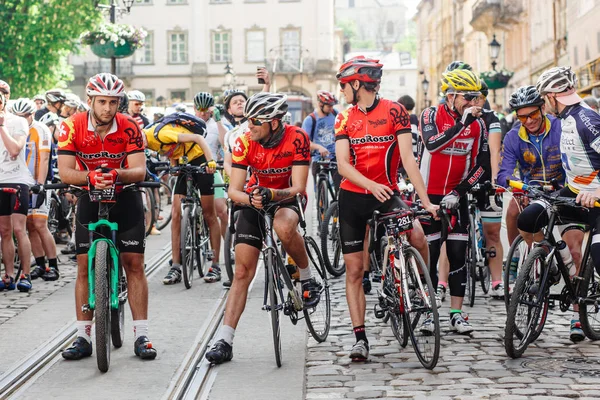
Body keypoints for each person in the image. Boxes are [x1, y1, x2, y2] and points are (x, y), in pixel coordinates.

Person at [205, 92, 321, 364]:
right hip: (254, 198)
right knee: (243, 271)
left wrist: (272, 193)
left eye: (255, 120)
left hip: (286, 196)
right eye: (247, 119)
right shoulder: (245, 141)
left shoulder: (297, 137)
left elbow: (299, 187)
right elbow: (234, 190)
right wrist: (253, 198)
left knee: (283, 227)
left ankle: (306, 275)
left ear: (275, 122)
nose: (249, 125)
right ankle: (225, 339)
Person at [334, 56, 437, 361]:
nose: (342, 91)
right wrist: (369, 184)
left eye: (344, 85)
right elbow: (343, 165)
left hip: (386, 193)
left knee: (417, 234)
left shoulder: (395, 111)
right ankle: (360, 338)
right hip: (354, 197)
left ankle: (421, 289)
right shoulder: (344, 118)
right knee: (354, 270)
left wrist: (426, 200)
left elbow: (408, 159)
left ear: (356, 83)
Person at [58, 73, 157, 361]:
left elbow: (138, 170)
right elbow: (66, 172)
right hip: (89, 194)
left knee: (134, 263)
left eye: (114, 102)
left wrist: (116, 174)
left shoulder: (130, 127)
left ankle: (142, 334)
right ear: (90, 101)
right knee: (83, 265)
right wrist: (89, 177)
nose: (108, 109)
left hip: (125, 195)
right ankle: (83, 336)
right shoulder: (71, 126)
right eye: (102, 102)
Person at [518, 66, 600, 342]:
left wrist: (596, 189)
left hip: (597, 199)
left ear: (554, 96)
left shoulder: (586, 119)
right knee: (528, 219)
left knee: (599, 259)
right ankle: (558, 261)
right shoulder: (563, 119)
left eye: (544, 98)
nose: (543, 104)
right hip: (574, 192)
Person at [419, 68, 488, 334]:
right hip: (429, 196)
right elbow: (433, 145)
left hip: (455, 196)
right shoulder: (430, 115)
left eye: (476, 97)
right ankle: (428, 312)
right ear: (450, 96)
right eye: (468, 97)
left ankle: (456, 314)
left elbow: (481, 166)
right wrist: (461, 124)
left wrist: (459, 193)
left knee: (458, 254)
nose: (473, 103)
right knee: (431, 254)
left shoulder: (479, 125)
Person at [146, 111, 218, 285]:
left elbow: (198, 139)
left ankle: (215, 265)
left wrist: (210, 162)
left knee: (209, 214)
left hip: (200, 157)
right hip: (184, 160)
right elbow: (171, 149)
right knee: (176, 214)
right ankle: (176, 266)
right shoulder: (149, 142)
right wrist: (174, 166)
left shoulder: (158, 134)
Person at [10, 98, 59, 281]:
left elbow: (44, 158)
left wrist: (40, 183)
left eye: (23, 116)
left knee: (40, 224)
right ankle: (39, 264)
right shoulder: (13, 129)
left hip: (38, 183)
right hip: (21, 183)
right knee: (29, 226)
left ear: (31, 115)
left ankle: (53, 265)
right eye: (17, 116)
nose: (20, 119)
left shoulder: (41, 129)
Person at [0, 81, 35, 292]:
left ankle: (26, 273)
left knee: (19, 229)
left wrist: (2, 126)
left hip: (17, 180)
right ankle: (8, 275)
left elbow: (14, 150)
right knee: (4, 231)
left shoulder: (17, 122)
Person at [192, 91, 228, 282]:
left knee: (220, 211)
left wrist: (219, 121)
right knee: (181, 210)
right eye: (200, 110)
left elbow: (225, 144)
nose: (203, 114)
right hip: (192, 171)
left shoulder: (216, 125)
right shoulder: (189, 123)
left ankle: (225, 249)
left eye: (206, 111)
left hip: (211, 171)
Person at [302, 90, 342, 188]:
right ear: (320, 104)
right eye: (329, 106)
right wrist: (318, 147)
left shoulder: (335, 114)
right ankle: (319, 201)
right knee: (319, 187)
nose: (331, 108)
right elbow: (304, 142)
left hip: (334, 156)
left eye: (332, 106)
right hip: (318, 158)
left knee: (340, 187)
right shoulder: (310, 119)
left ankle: (337, 200)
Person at [397, 94, 420, 161]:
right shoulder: (408, 118)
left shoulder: (411, 118)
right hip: (410, 158)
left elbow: (413, 138)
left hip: (411, 158)